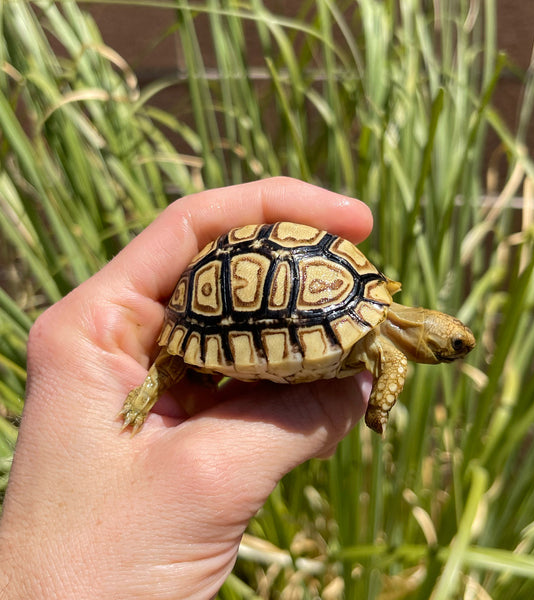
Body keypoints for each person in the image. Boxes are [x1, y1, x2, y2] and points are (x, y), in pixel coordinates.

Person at [0, 177, 375, 599]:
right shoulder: (372, 328)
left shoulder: (373, 321)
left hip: (247, 307)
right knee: (173, 365)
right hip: (222, 309)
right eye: (451, 348)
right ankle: (156, 383)